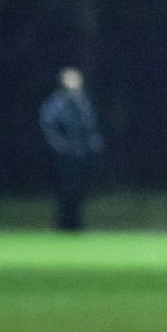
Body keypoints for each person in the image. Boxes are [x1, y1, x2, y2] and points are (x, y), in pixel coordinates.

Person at [39, 67, 103, 232]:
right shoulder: (56, 104)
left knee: (79, 189)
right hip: (63, 156)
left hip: (82, 155)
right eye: (70, 79)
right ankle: (64, 225)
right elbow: (48, 127)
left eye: (76, 79)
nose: (74, 83)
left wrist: (92, 144)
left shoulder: (83, 103)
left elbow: (90, 127)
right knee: (65, 190)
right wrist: (62, 148)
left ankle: (76, 224)